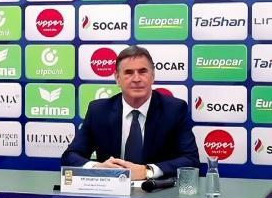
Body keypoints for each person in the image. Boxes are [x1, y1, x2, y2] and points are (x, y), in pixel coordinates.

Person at [61, 45, 199, 179]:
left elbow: (191, 160)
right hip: (111, 190)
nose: (136, 79)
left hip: (157, 190)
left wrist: (147, 171)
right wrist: (98, 168)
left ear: (153, 76)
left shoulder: (174, 110)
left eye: (142, 71)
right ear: (117, 78)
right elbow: (70, 156)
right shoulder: (98, 111)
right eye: (128, 72)